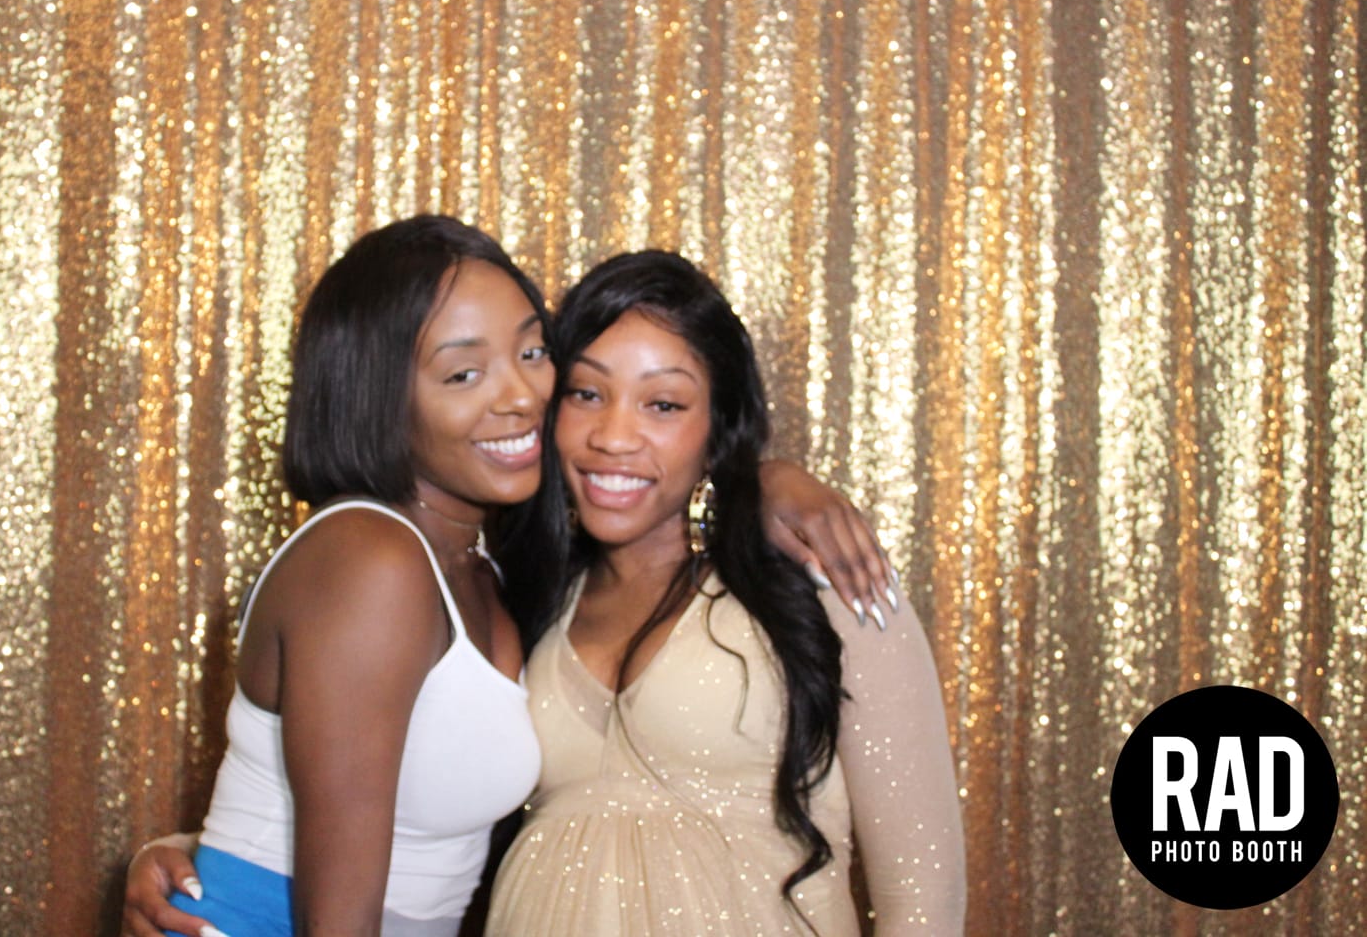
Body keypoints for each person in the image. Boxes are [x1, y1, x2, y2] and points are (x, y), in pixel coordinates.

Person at [122, 220, 901, 937]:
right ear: (378, 395)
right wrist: (208, 866)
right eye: (464, 373)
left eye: (532, 354)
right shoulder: (372, 557)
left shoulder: (497, 572)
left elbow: (393, 806)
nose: (523, 396)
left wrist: (757, 481)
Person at [484, 251, 965, 935]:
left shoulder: (822, 576)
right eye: (587, 393)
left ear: (718, 430)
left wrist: (763, 481)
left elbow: (924, 899)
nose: (613, 437)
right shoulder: (527, 598)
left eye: (663, 404)